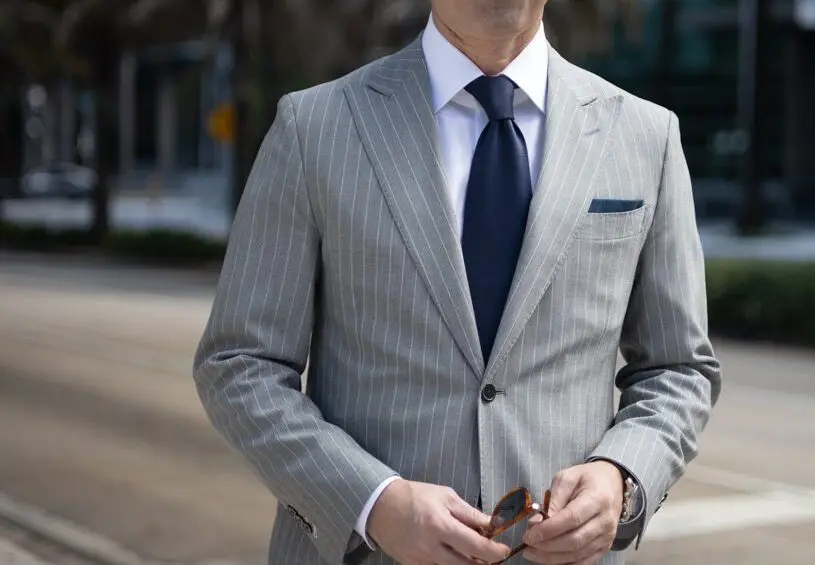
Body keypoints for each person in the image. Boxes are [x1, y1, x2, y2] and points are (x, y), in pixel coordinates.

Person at [192, 1, 721, 564]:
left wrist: (623, 476)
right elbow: (240, 363)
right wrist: (372, 503)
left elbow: (678, 369)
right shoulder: (314, 127)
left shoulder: (646, 137)